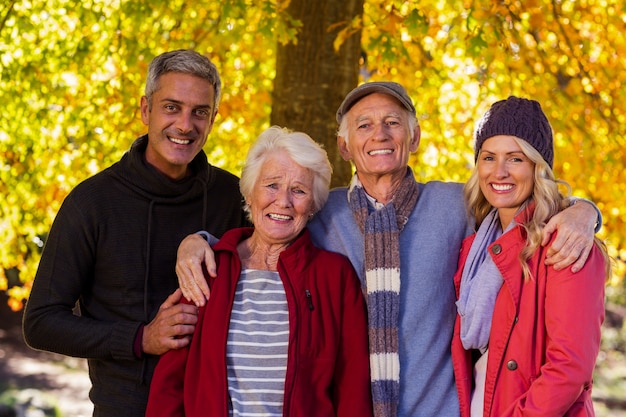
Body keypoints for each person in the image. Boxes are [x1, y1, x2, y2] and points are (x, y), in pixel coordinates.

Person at [175, 82, 601, 417]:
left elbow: (523, 198)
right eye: (363, 124)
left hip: (441, 412)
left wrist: (585, 212)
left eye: (393, 123)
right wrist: (199, 243)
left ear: (414, 137)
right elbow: (266, 232)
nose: (379, 134)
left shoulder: (457, 205)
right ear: (345, 147)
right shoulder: (322, 211)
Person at [22, 49, 248, 416]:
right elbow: (41, 322)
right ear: (145, 110)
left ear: (213, 118)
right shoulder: (92, 202)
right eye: (171, 107)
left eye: (200, 112)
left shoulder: (235, 197)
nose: (185, 125)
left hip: (221, 406)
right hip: (127, 408)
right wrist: (141, 338)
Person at [146, 126, 373, 416]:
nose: (283, 201)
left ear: (313, 205)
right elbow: (170, 384)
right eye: (272, 185)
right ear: (250, 192)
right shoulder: (210, 269)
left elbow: (352, 387)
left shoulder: (334, 277)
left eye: (299, 190)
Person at [452, 96, 609, 416]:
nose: (499, 172)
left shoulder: (566, 242)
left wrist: (585, 212)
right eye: (488, 157)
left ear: (538, 167)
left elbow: (569, 368)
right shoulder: (478, 242)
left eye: (515, 159)